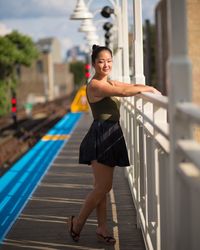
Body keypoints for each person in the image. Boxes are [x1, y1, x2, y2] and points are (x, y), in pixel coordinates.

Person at [67, 44, 161, 245]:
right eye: (101, 61)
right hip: (101, 135)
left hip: (110, 134)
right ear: (94, 64)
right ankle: (78, 222)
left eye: (109, 61)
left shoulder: (107, 81)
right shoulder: (95, 85)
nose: (106, 64)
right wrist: (149, 88)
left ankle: (102, 228)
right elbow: (124, 92)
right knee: (103, 186)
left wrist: (142, 88)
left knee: (101, 186)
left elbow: (126, 87)